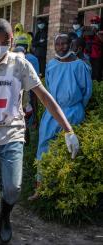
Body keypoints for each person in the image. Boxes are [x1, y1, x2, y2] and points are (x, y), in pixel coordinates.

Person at [0, 19, 80, 244]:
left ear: (11, 41)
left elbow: (45, 98)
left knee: (13, 188)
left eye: (4, 42)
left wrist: (69, 131)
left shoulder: (20, 65)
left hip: (11, 136)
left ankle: (5, 218)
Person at [29, 34, 92, 201]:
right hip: (53, 112)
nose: (61, 47)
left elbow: (86, 92)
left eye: (64, 44)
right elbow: (48, 88)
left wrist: (76, 109)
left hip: (73, 112)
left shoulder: (80, 66)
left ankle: (63, 191)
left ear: (71, 45)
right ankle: (40, 188)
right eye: (57, 44)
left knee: (68, 150)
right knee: (44, 147)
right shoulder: (51, 65)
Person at [84, 15, 103, 81]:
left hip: (98, 56)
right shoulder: (88, 31)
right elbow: (83, 40)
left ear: (99, 23)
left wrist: (96, 33)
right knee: (88, 72)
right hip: (88, 55)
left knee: (97, 74)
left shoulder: (101, 33)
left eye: (96, 22)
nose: (94, 24)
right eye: (93, 22)